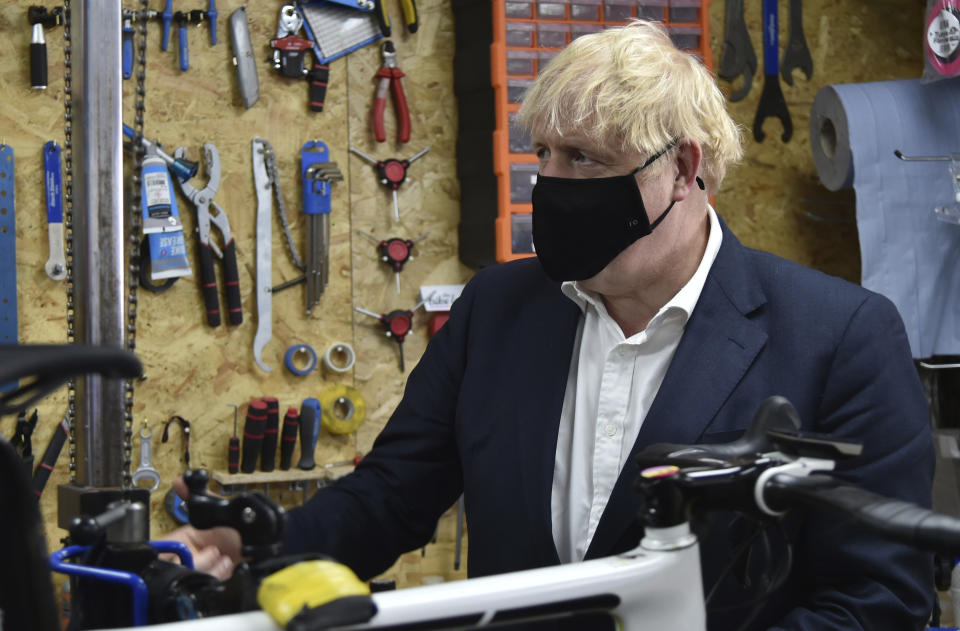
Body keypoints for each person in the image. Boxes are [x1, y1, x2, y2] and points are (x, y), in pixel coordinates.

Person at [167, 20, 935, 629]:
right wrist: (253, 542)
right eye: (546, 157)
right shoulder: (498, 310)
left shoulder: (841, 337)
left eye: (587, 159)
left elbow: (877, 601)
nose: (555, 185)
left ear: (685, 168)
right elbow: (388, 499)